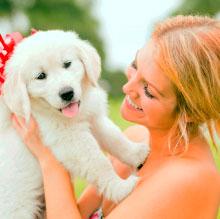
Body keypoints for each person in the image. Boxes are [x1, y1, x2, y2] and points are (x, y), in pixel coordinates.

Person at [11, 15, 220, 219]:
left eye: (149, 90)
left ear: (191, 111)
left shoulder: (189, 179)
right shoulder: (135, 141)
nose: (127, 87)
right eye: (135, 65)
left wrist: (49, 159)